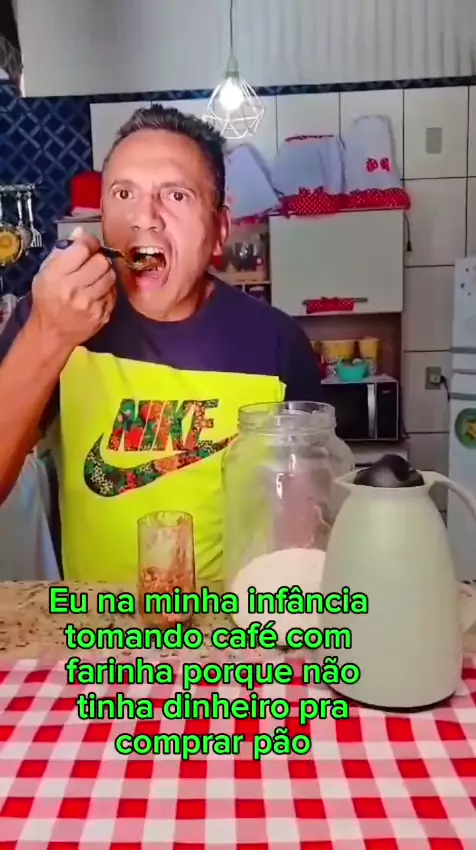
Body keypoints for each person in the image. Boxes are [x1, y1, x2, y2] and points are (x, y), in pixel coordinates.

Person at [0, 104, 321, 584]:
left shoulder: (277, 343)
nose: (144, 216)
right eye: (123, 192)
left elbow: (301, 530)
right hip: (96, 619)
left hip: (230, 618)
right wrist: (50, 333)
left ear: (219, 230)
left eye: (175, 194)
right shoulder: (52, 317)